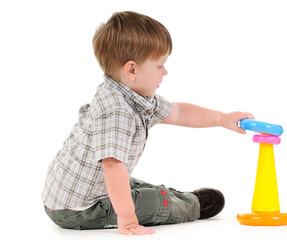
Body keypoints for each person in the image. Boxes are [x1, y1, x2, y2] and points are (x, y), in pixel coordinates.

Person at [42, 11, 254, 235]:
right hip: (80, 209)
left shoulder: (132, 94)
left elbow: (179, 112)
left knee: (134, 185)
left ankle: (174, 198)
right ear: (132, 70)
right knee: (151, 202)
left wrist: (222, 119)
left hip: (81, 191)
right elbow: (112, 166)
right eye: (160, 65)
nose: (165, 72)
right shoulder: (115, 112)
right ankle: (191, 206)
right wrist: (127, 220)